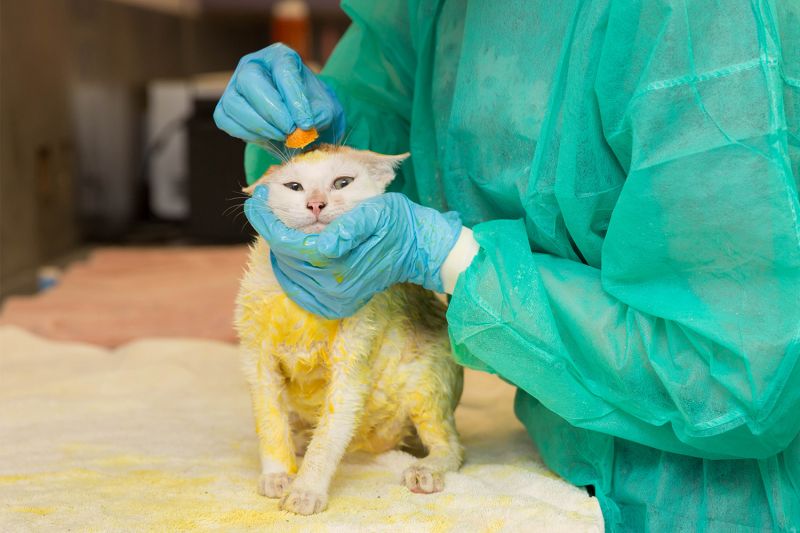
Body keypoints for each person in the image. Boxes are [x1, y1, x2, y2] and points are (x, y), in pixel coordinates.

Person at [213, 1, 800, 530]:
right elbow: (380, 106)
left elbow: (737, 376)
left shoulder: (704, 23)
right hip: (560, 427)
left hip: (723, 489)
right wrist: (306, 134)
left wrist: (449, 257)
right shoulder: (435, 9)